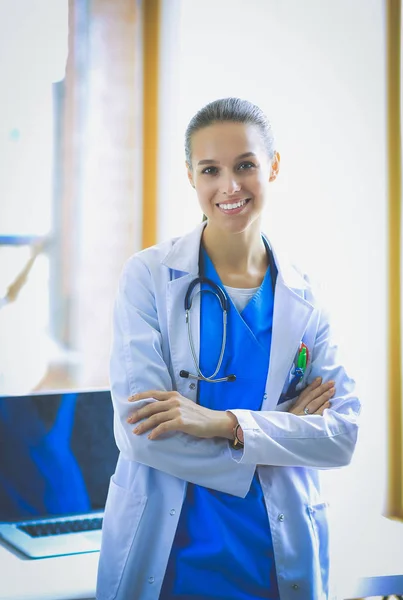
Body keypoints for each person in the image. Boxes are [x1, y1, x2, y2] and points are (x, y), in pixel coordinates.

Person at [96, 97, 360, 600]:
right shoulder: (149, 277)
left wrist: (223, 423)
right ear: (190, 176)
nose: (229, 186)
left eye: (245, 166)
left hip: (273, 560)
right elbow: (144, 434)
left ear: (274, 166)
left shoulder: (305, 294)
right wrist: (286, 432)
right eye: (210, 169)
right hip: (172, 558)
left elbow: (342, 436)